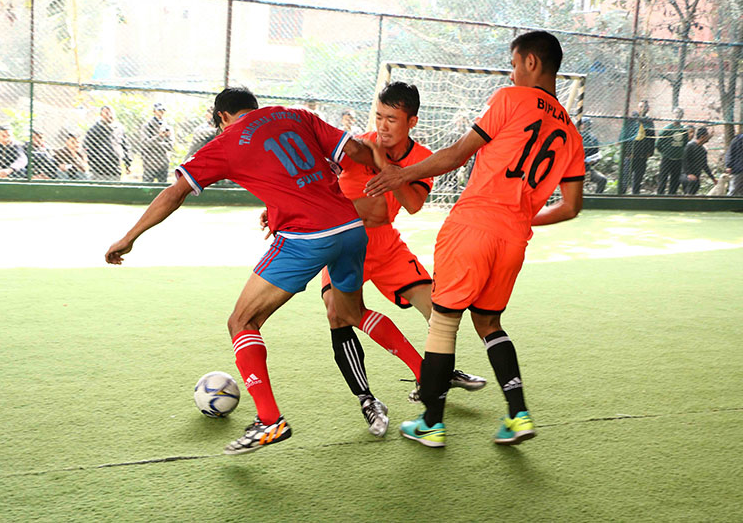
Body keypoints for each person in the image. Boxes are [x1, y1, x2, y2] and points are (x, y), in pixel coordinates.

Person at [105, 87, 387, 455]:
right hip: (351, 227)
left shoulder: (226, 141)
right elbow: (357, 150)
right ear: (253, 107)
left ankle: (270, 420)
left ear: (222, 116)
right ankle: (426, 376)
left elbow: (175, 193)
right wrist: (388, 170)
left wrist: (129, 237)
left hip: (306, 237)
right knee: (351, 313)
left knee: (241, 322)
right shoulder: (294, 114)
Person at [365, 31, 585, 448]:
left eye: (514, 64)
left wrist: (402, 174)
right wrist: (521, 219)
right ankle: (518, 415)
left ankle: (431, 423)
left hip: (471, 227)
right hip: (513, 240)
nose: (512, 73)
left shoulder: (510, 98)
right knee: (488, 323)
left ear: (531, 63)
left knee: (444, 321)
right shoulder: (571, 132)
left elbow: (457, 154)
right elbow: (571, 206)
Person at [313, 82, 486, 437]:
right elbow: (315, 176)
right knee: (337, 314)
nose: (383, 125)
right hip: (345, 243)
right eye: (379, 116)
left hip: (386, 244)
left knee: (439, 310)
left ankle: (438, 372)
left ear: (412, 122)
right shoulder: (356, 145)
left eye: (392, 119)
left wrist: (390, 172)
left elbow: (414, 203)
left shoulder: (423, 156)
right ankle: (370, 398)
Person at [85, 106, 131, 181]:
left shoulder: (119, 129)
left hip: (115, 167)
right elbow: (88, 148)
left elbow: (125, 146)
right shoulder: (94, 130)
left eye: (111, 113)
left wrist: (128, 163)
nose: (109, 115)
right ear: (101, 115)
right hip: (98, 169)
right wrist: (93, 162)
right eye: (106, 113)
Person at [618, 100, 655, 194]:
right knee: (625, 179)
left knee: (638, 179)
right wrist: (626, 152)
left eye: (645, 107)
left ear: (648, 109)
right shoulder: (631, 120)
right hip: (630, 155)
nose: (643, 109)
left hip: (642, 155)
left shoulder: (648, 122)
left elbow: (652, 138)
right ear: (638, 108)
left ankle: (635, 195)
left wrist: (650, 152)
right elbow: (624, 136)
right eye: (641, 107)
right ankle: (621, 195)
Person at [656, 108, 689, 194]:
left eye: (680, 113)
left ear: (682, 116)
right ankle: (660, 196)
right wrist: (664, 152)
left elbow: (685, 143)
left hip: (678, 159)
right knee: (663, 178)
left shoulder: (683, 130)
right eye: (676, 113)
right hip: (667, 158)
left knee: (675, 181)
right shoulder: (667, 129)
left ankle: (671, 196)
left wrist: (680, 153)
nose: (678, 115)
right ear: (672, 114)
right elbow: (658, 144)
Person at [139, 102, 174, 183]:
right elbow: (145, 144)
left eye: (163, 110)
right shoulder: (147, 126)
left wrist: (154, 144)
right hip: (149, 162)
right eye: (159, 110)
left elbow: (170, 146)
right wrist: (159, 137)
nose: (161, 112)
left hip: (163, 163)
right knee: (146, 187)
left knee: (162, 187)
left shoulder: (168, 127)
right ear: (154, 111)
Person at [681, 127, 716, 195]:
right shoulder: (690, 146)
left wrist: (713, 178)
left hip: (696, 176)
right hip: (685, 174)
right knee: (692, 183)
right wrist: (689, 174)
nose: (708, 139)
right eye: (707, 136)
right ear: (702, 137)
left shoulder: (703, 150)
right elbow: (684, 160)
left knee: (696, 184)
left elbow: (704, 165)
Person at [581, 117, 606, 193]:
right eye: (583, 124)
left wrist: (592, 160)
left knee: (602, 180)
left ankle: (596, 198)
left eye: (587, 124)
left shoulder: (592, 138)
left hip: (586, 169)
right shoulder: (573, 135)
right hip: (572, 170)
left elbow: (596, 155)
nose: (585, 126)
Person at [725, 131, 743, 196]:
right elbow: (730, 153)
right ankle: (729, 201)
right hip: (738, 169)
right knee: (733, 189)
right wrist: (728, 165)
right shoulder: (737, 140)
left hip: (738, 167)